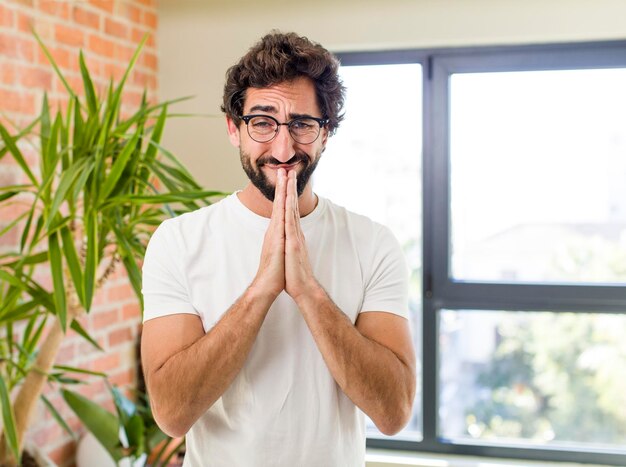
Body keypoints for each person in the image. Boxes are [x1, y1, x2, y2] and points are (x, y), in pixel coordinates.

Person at [140, 31, 416, 467]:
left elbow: (394, 411)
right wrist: (262, 290)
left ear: (326, 134)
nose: (284, 148)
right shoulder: (178, 241)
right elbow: (172, 414)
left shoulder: (373, 243)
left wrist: (308, 291)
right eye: (263, 122)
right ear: (235, 129)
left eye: (303, 124)